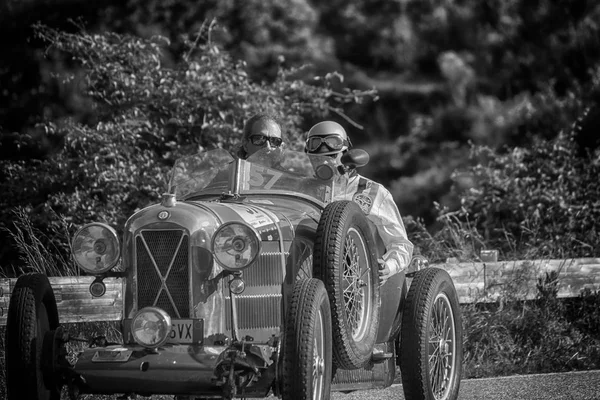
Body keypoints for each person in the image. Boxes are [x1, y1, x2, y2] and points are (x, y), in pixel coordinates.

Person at [305, 121, 414, 286]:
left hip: (359, 282)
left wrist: (388, 266)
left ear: (346, 154)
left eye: (332, 156)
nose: (324, 163)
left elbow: (401, 244)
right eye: (317, 159)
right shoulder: (302, 190)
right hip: (310, 278)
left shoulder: (373, 192)